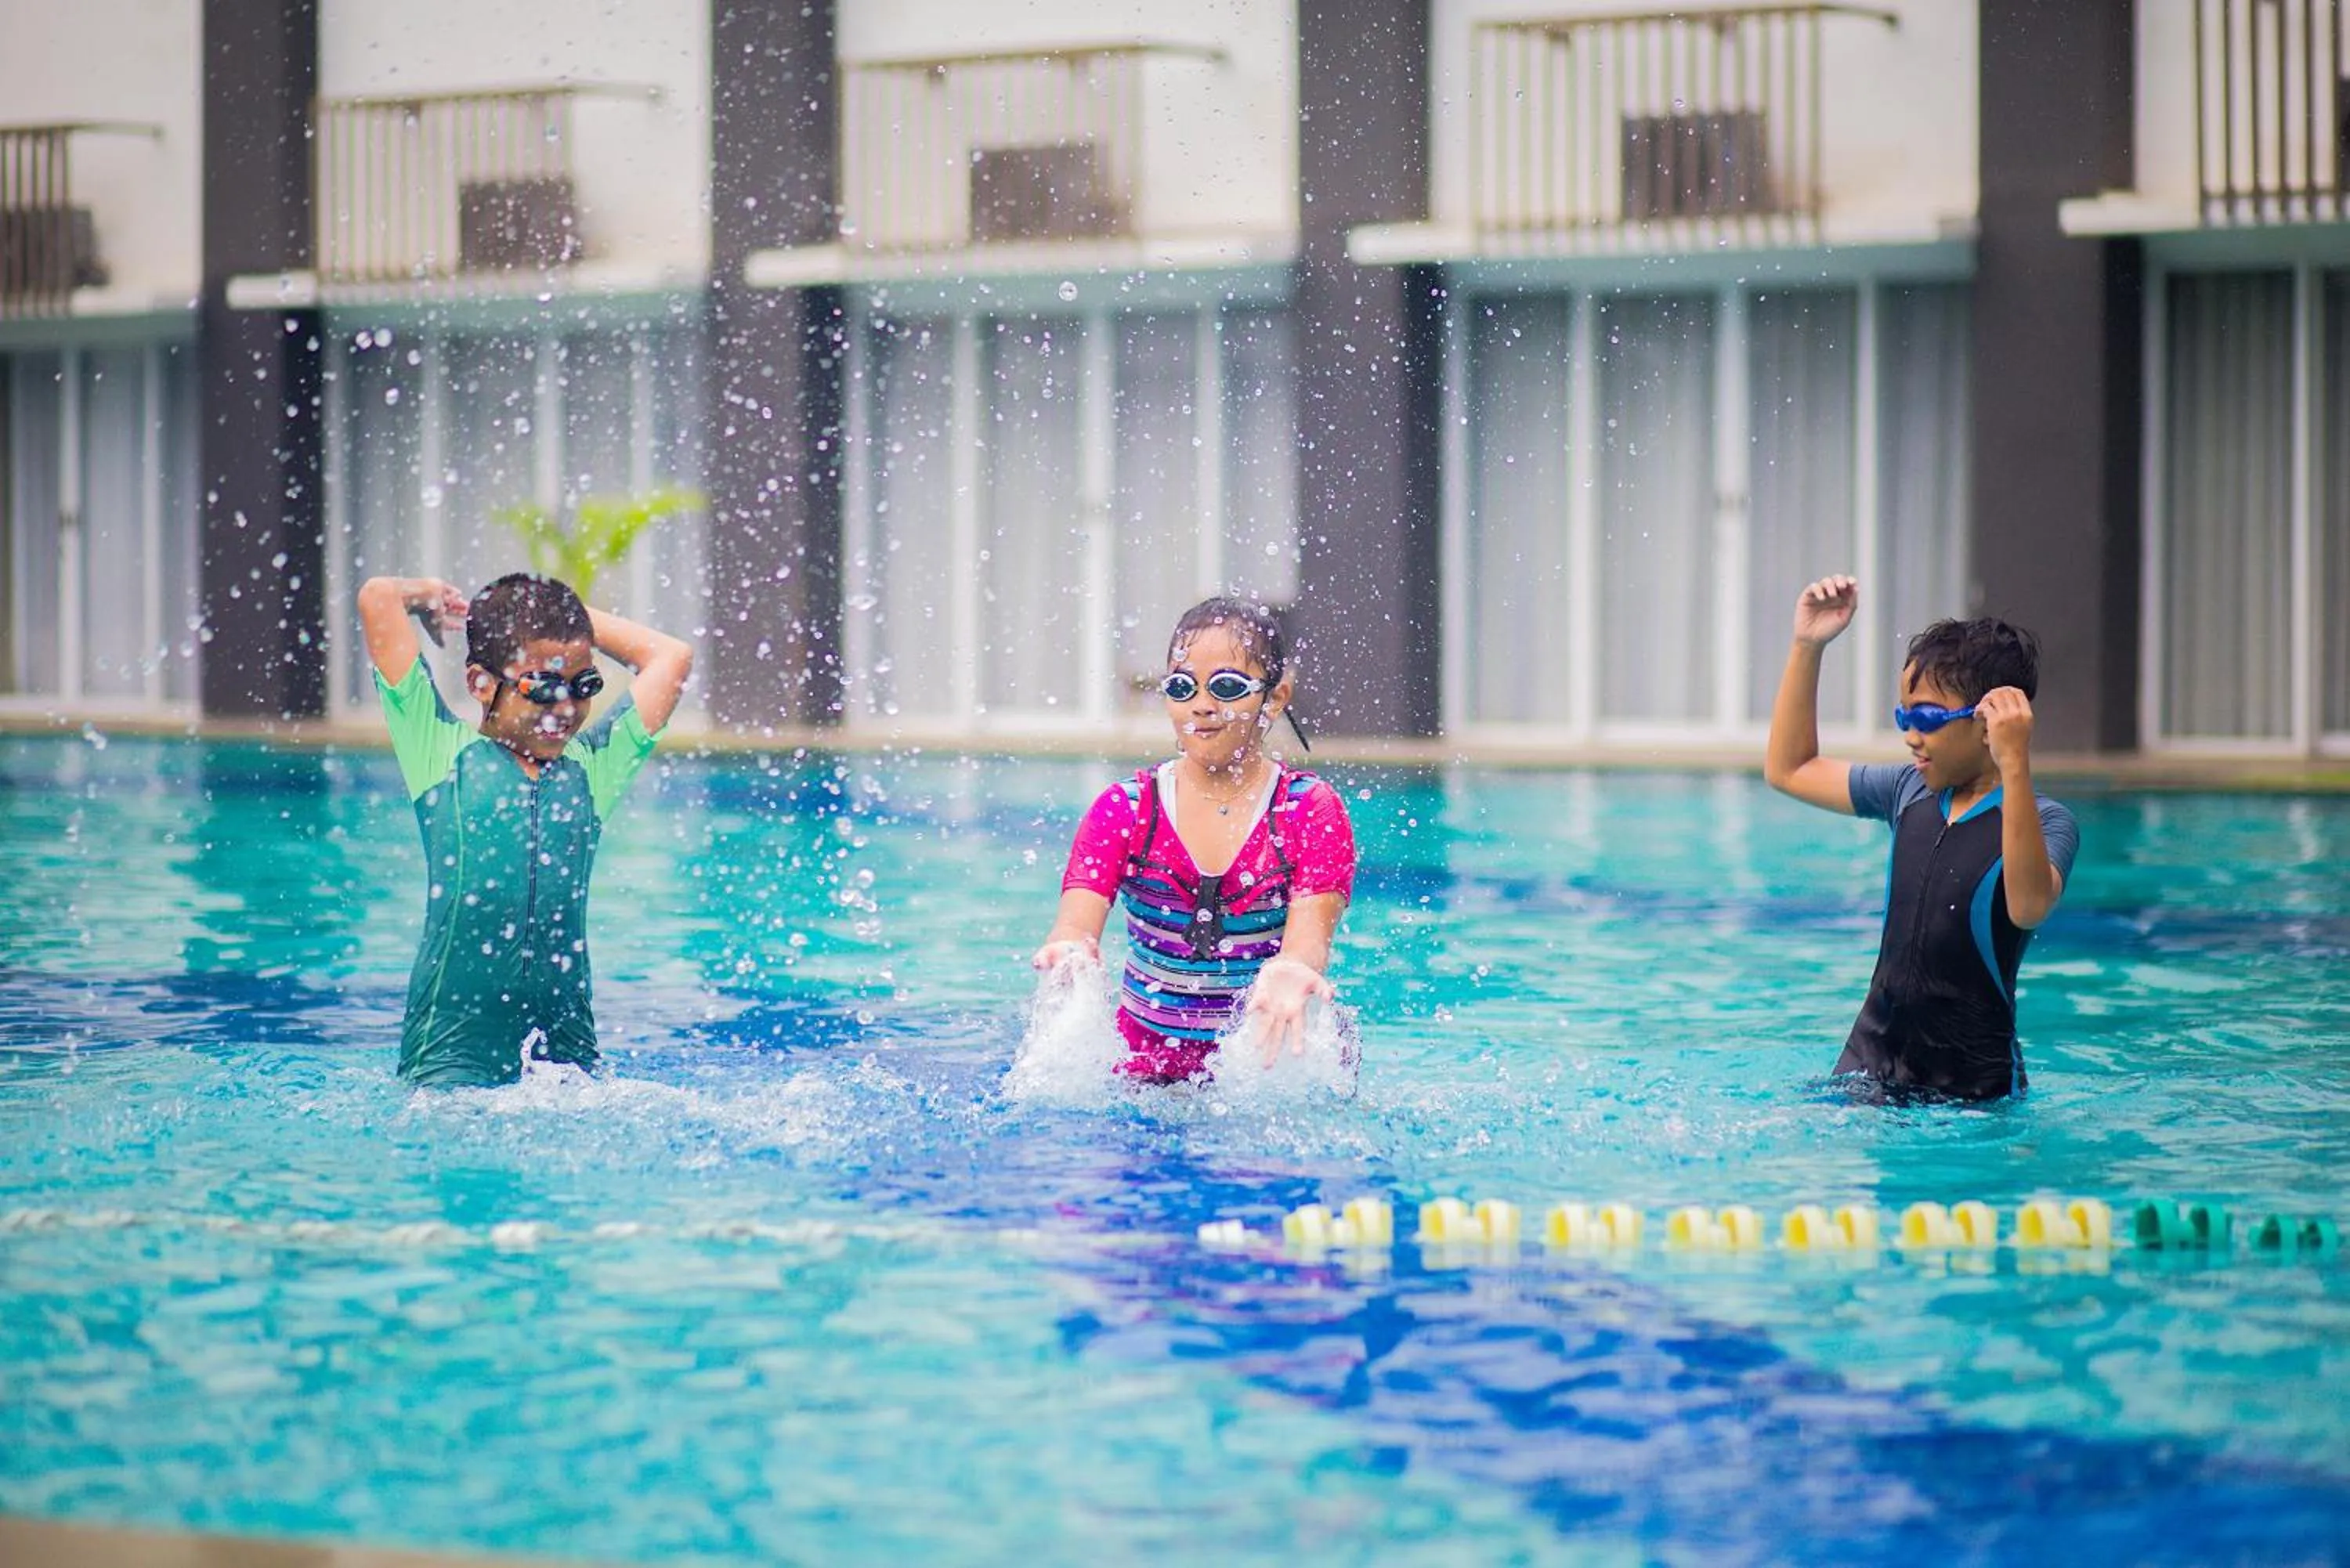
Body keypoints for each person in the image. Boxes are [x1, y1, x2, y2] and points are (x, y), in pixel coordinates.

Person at [356, 571, 693, 1086]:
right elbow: (378, 597)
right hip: (451, 1060)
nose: (566, 708)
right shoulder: (440, 752)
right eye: (543, 687)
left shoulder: (594, 766)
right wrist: (432, 597)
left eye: (584, 685)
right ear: (480, 684)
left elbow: (671, 657)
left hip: (568, 1059)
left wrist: (561, 615)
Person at [1762, 575, 2079, 1100]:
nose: (1911, 735)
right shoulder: (1907, 790)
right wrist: (1807, 646)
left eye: (1927, 717)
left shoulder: (2049, 821)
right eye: (1904, 715)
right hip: (1868, 1065)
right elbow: (1790, 770)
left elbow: (2027, 907)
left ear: (1989, 722)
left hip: (1973, 1087)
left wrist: (2014, 762)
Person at [1032, 598, 1358, 1084]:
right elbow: (1075, 929)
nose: (1201, 705)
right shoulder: (1127, 809)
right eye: (1183, 687)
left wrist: (1293, 969)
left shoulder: (1307, 810)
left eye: (1226, 687)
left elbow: (1307, 944)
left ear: (1275, 697)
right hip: (1143, 1072)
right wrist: (1069, 954)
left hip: (1262, 1071)